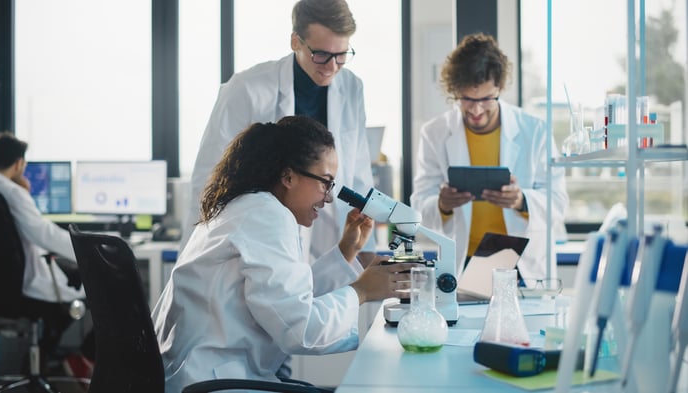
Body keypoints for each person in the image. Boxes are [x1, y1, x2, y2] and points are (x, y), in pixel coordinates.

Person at [152, 116, 415, 393]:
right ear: (288, 176)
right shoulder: (267, 214)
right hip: (213, 381)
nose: (328, 198)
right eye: (325, 183)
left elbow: (286, 299)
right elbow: (300, 331)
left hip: (208, 374)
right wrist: (361, 291)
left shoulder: (247, 207)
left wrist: (345, 251)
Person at [182, 0, 377, 268]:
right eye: (321, 54)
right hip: (257, 232)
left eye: (341, 55)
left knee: (313, 295)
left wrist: (366, 246)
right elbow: (210, 175)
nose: (332, 66)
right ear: (296, 41)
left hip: (326, 229)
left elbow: (358, 171)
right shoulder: (247, 88)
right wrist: (201, 253)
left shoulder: (352, 87)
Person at [410, 33, 569, 282]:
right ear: (454, 91)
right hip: (466, 260)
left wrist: (521, 200)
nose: (476, 110)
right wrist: (442, 204)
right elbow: (419, 205)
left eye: (486, 99)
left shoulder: (535, 131)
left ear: (500, 88)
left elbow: (558, 203)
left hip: (522, 263)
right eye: (467, 99)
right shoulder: (434, 133)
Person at [0, 132, 95, 377]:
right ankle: (81, 356)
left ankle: (45, 357)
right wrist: (89, 250)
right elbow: (44, 234)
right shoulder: (12, 193)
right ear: (18, 163)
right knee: (106, 288)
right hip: (24, 288)